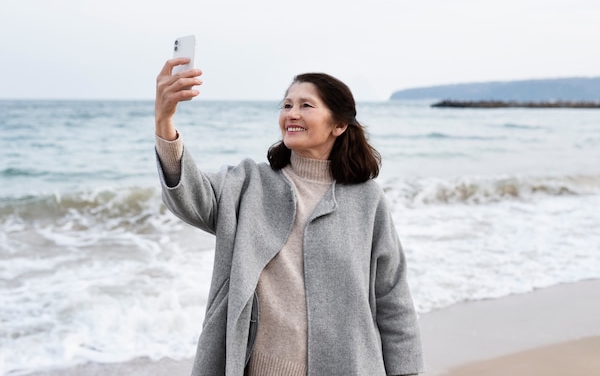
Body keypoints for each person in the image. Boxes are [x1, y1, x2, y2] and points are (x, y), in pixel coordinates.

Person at [154, 57, 425, 376]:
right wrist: (164, 121)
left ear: (338, 125)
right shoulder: (248, 184)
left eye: (306, 105)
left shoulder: (367, 199)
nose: (291, 114)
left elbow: (393, 300)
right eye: (286, 105)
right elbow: (189, 195)